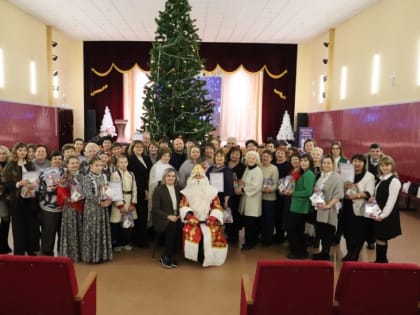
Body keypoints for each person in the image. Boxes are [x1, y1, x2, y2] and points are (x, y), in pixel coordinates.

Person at [180, 164, 227, 267]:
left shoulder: (212, 191)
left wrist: (213, 217)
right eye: (195, 176)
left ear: (204, 177)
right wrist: (189, 216)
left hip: (208, 220)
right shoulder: (186, 192)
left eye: (200, 176)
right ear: (191, 178)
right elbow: (183, 206)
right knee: (192, 232)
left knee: (213, 233)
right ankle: (196, 256)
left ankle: (208, 256)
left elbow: (217, 206)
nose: (198, 178)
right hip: (193, 221)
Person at [1, 142, 40, 255]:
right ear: (15, 151)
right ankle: (19, 252)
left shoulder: (30, 164)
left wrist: (36, 182)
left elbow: (34, 178)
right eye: (20, 150)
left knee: (31, 226)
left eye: (24, 150)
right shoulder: (10, 165)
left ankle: (30, 249)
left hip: (30, 199)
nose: (22, 152)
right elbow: (5, 183)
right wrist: (19, 183)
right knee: (19, 228)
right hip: (17, 201)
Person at [341, 154, 375, 261]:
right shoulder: (346, 175)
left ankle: (355, 253)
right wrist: (344, 187)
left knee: (359, 232)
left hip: (360, 207)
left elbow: (369, 192)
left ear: (364, 163)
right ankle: (349, 252)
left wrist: (356, 195)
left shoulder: (369, 176)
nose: (357, 163)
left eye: (360, 161)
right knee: (347, 231)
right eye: (355, 161)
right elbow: (340, 189)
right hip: (346, 206)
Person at [311, 155, 344, 260]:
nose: (326, 165)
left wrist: (328, 205)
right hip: (320, 208)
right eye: (324, 163)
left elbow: (339, 195)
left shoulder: (337, 177)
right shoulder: (321, 176)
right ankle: (323, 252)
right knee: (321, 231)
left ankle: (325, 254)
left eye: (329, 163)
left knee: (328, 232)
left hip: (330, 209)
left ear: (333, 164)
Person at [81, 156, 113, 263]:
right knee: (92, 229)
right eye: (97, 165)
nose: (100, 167)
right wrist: (100, 201)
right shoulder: (87, 177)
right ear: (91, 166)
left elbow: (107, 189)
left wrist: (108, 199)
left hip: (103, 207)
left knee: (101, 228)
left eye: (101, 165)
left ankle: (102, 255)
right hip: (92, 208)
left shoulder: (103, 176)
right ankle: (92, 256)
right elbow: (88, 194)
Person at [370, 155, 402, 263]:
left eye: (387, 165)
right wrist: (372, 199)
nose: (384, 168)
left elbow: (391, 201)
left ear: (392, 166)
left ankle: (381, 261)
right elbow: (378, 195)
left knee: (381, 238)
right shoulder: (381, 179)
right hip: (378, 212)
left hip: (386, 214)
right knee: (380, 237)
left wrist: (382, 215)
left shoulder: (394, 181)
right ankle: (381, 260)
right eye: (382, 165)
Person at [152, 168, 182, 269]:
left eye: (173, 176)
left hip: (176, 216)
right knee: (172, 225)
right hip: (162, 218)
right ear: (164, 177)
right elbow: (155, 209)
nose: (171, 178)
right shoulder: (158, 189)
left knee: (180, 224)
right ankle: (166, 255)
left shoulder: (179, 189)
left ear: (176, 178)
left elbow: (182, 205)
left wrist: (180, 215)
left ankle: (173, 254)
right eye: (168, 176)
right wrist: (168, 216)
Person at [287, 154, 315, 259]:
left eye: (306, 161)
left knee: (293, 229)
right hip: (296, 205)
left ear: (310, 162)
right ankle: (300, 251)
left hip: (301, 207)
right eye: (302, 160)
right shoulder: (301, 173)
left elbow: (308, 192)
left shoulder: (308, 174)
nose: (303, 162)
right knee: (297, 230)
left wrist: (293, 193)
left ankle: (299, 252)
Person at [58, 155, 85, 262]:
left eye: (76, 163)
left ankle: (82, 253)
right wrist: (69, 199)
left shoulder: (83, 175)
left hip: (82, 206)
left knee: (82, 229)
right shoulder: (64, 177)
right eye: (72, 163)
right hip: (70, 207)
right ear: (67, 165)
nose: (75, 165)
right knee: (72, 230)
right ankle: (72, 254)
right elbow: (61, 191)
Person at [236, 151, 264, 250]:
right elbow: (243, 182)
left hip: (253, 201)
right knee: (247, 223)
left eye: (253, 158)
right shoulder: (247, 169)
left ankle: (250, 243)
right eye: (249, 158)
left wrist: (242, 189)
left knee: (250, 223)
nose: (251, 160)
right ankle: (249, 241)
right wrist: (239, 185)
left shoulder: (258, 171)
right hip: (246, 199)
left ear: (257, 160)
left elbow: (256, 186)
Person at [38, 151, 64, 256]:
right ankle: (47, 253)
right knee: (48, 232)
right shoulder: (43, 173)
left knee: (62, 232)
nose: (57, 161)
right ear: (51, 160)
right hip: (48, 207)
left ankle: (61, 251)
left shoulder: (66, 172)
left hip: (63, 207)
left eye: (59, 159)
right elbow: (39, 188)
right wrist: (49, 189)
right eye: (55, 159)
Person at [127, 140, 153, 247]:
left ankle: (143, 238)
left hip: (145, 189)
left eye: (141, 146)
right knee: (136, 215)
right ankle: (136, 240)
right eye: (136, 147)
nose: (139, 148)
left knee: (143, 215)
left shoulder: (146, 158)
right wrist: (143, 190)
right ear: (132, 148)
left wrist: (147, 189)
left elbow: (150, 174)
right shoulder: (130, 159)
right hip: (135, 190)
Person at [110, 155, 137, 253]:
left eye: (125, 162)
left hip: (129, 200)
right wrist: (120, 205)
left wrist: (133, 203)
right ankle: (116, 244)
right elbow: (115, 190)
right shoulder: (115, 174)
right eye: (121, 162)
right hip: (119, 201)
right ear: (117, 164)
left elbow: (135, 189)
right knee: (116, 223)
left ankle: (126, 242)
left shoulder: (131, 174)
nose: (123, 164)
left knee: (127, 223)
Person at [148, 148, 173, 227]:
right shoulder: (156, 167)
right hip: (159, 193)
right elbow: (152, 182)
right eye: (164, 156)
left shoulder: (170, 167)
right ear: (160, 156)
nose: (167, 158)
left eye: (168, 156)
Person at [225, 146, 246, 243]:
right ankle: (228, 232)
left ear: (240, 156)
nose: (235, 155)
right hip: (225, 193)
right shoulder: (225, 164)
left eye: (237, 154)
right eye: (233, 153)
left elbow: (243, 181)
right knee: (226, 213)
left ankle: (234, 236)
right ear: (229, 154)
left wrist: (239, 187)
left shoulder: (243, 167)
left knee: (235, 215)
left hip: (236, 195)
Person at [260, 150, 279, 246]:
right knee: (261, 218)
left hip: (270, 198)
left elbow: (276, 184)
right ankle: (261, 236)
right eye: (264, 156)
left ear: (271, 158)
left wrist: (270, 189)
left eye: (268, 156)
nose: (265, 158)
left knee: (268, 219)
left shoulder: (274, 168)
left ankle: (268, 239)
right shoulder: (259, 166)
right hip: (259, 197)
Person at [0, 145, 12, 254]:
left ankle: (4, 244)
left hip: (8, 198)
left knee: (6, 222)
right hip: (1, 199)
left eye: (4, 153)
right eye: (0, 154)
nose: (2, 156)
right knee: (4, 219)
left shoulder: (10, 166)